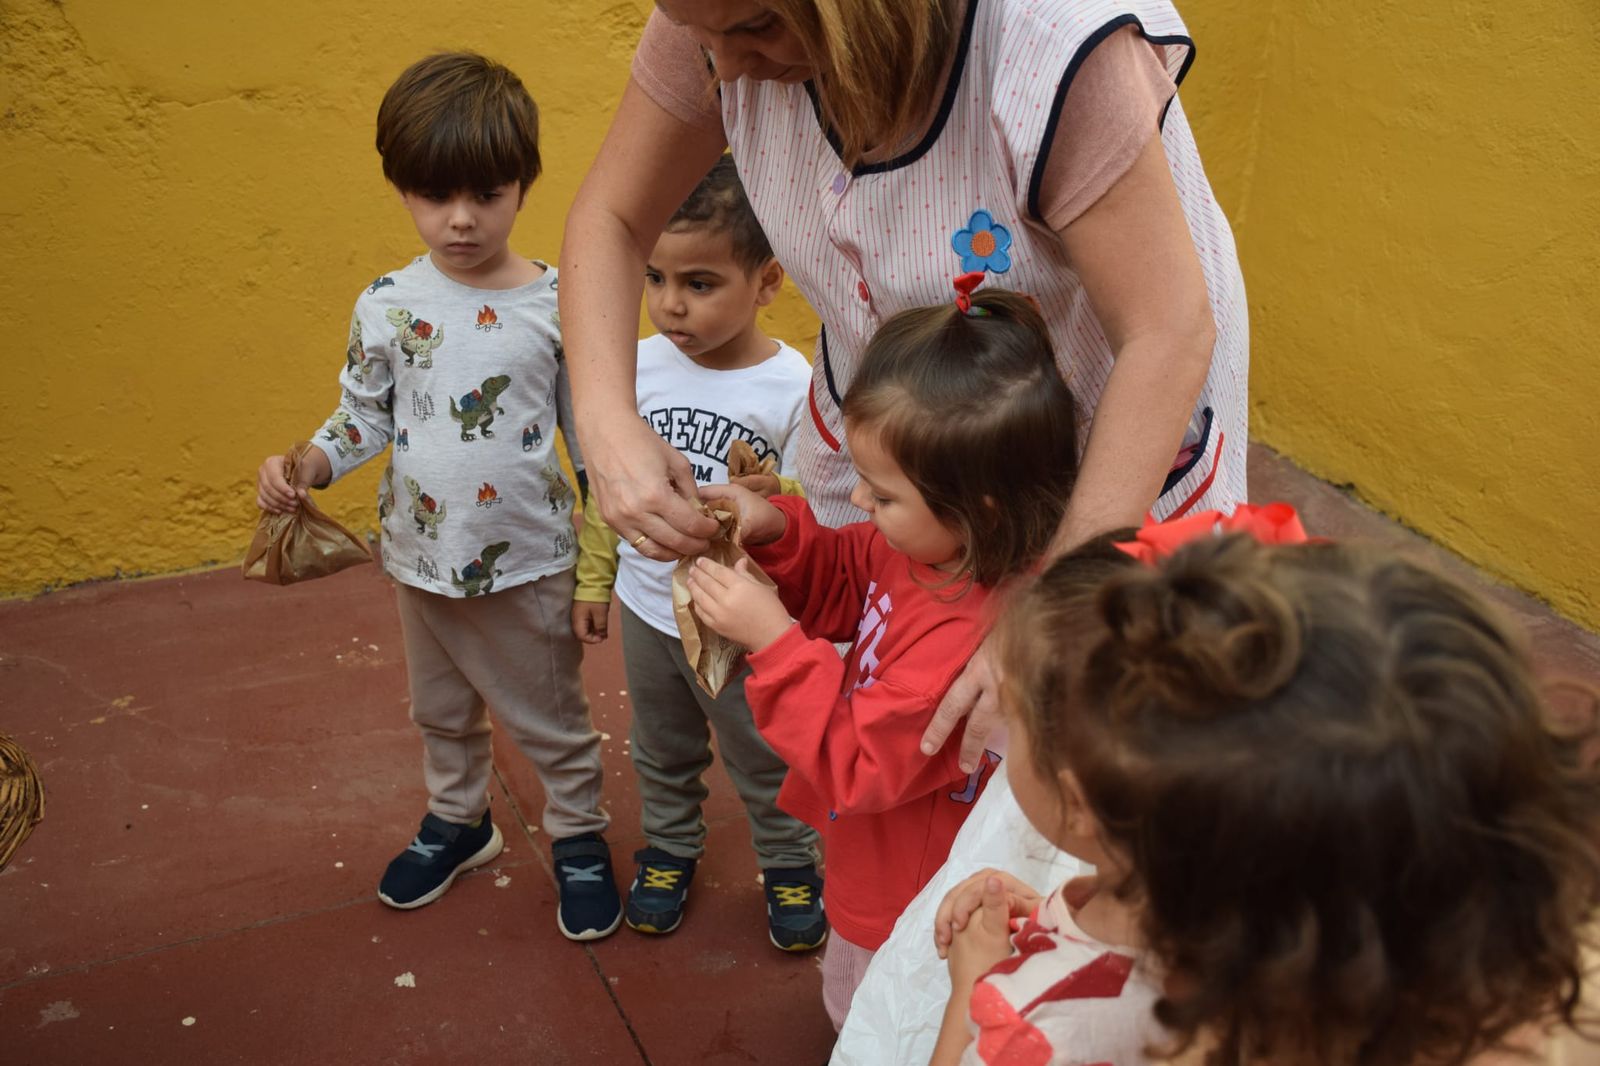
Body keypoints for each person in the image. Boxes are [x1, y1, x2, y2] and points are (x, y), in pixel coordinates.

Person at [559, 0, 1250, 770]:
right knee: (909, 706)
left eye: (758, 27)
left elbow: (1165, 333)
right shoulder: (716, 16)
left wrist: (1054, 601)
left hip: (1107, 449)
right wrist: (605, 416)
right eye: (698, 37)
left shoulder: (1050, 43)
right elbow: (614, 216)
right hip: (902, 430)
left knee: (1088, 755)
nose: (723, 69)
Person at [929, 523, 1600, 1065]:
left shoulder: (1050, 1025)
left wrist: (972, 988)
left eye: (1014, 714)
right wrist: (1068, 918)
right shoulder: (1490, 951)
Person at [253, 52, 622, 940]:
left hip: (530, 558)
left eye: (486, 194)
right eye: (432, 196)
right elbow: (364, 417)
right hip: (416, 558)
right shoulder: (385, 303)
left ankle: (577, 836)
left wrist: (596, 574)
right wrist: (307, 461)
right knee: (441, 711)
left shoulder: (562, 304)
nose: (459, 220)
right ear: (400, 187)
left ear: (524, 185)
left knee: (551, 717)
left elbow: (598, 446)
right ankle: (461, 821)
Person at [685, 290, 1081, 1028]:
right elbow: (847, 574)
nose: (860, 500)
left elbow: (855, 759)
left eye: (885, 492)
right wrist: (775, 530)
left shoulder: (960, 644)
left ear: (980, 506)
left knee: (884, 1016)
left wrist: (771, 638)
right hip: (879, 850)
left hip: (911, 890)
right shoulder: (934, 547)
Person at [570, 155, 829, 950]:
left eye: (701, 283)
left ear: (768, 281)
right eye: (653, 278)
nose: (670, 305)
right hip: (649, 609)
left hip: (741, 617)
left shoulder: (794, 386)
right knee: (662, 744)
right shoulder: (634, 367)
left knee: (760, 749)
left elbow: (816, 506)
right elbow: (606, 482)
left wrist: (771, 489)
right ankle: (670, 849)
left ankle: (790, 860)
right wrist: (593, 577)